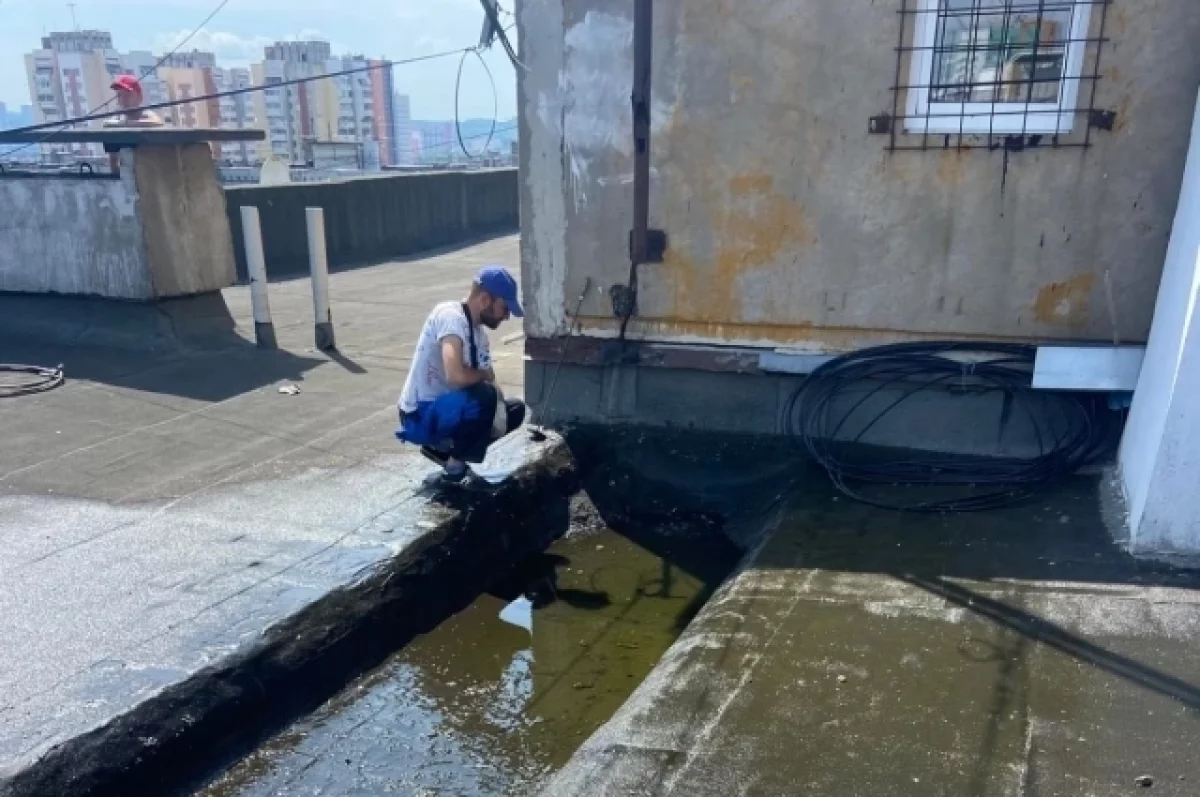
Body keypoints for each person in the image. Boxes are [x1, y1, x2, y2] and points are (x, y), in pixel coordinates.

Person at [396, 266, 528, 486]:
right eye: (504, 309)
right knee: (485, 397)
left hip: (447, 409)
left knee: (513, 410)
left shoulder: (480, 336)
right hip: (419, 415)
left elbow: (491, 385)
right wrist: (485, 378)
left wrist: (495, 411)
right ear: (485, 299)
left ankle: (445, 450)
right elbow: (455, 376)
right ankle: (454, 470)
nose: (506, 317)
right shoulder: (450, 317)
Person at [104, 75, 164, 174]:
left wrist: (126, 125)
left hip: (151, 174)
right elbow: (113, 161)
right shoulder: (117, 121)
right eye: (119, 95)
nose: (123, 100)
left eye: (127, 95)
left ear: (139, 97)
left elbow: (157, 123)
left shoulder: (145, 115)